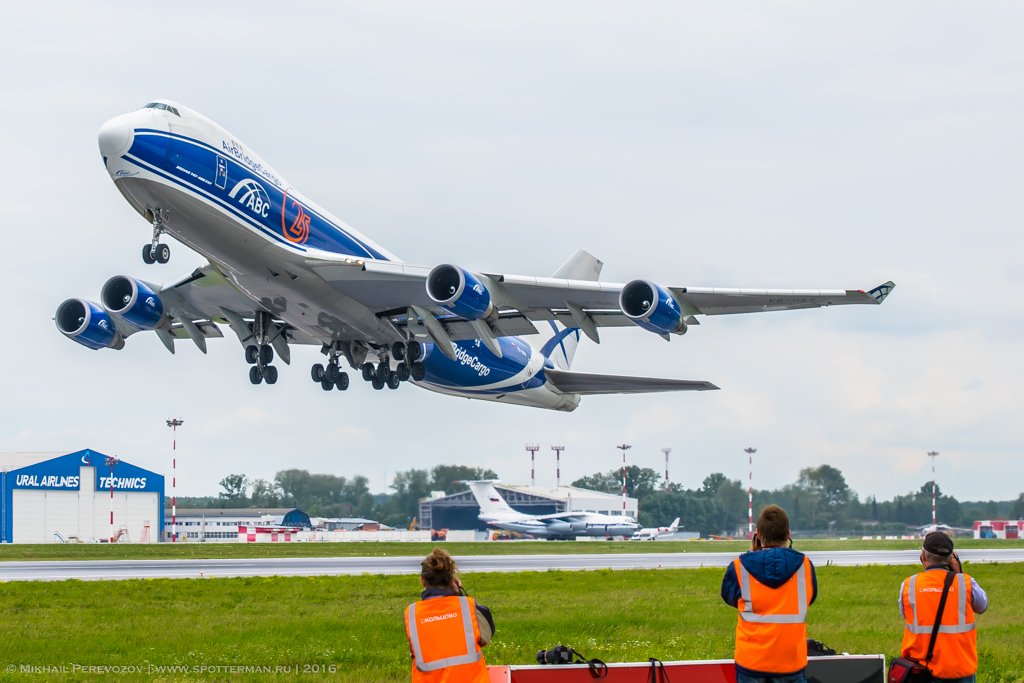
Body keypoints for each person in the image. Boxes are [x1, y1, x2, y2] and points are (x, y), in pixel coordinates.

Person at [720, 504, 817, 683]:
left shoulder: (739, 566)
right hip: (791, 663)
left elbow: (729, 597)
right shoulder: (805, 566)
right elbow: (809, 598)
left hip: (751, 663)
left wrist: (752, 554)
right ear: (788, 534)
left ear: (758, 534)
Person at [898, 532, 988, 683]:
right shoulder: (965, 583)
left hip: (921, 670)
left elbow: (905, 613)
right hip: (960, 670)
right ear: (951, 558)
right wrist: (959, 573)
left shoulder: (909, 585)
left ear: (923, 557)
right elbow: (982, 606)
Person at [404, 548, 495, 682]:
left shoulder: (411, 613)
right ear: (452, 579)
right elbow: (486, 635)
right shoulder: (468, 607)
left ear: (423, 580)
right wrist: (458, 594)